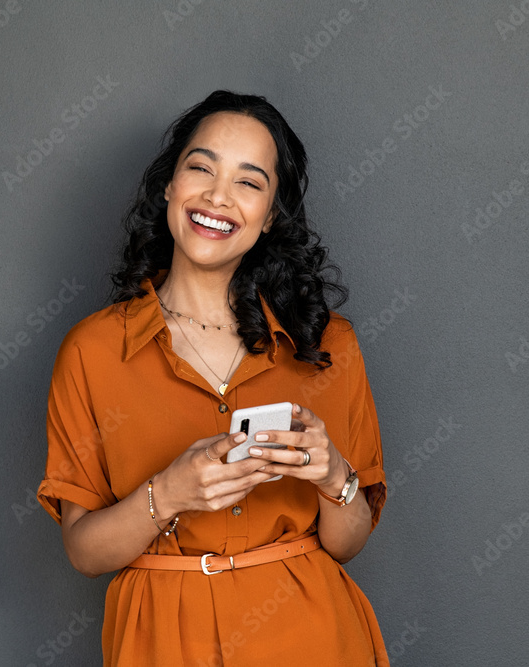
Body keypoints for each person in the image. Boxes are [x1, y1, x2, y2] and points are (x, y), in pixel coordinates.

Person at [36, 89, 388, 665]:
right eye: (201, 168)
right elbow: (84, 551)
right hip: (161, 642)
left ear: (271, 214)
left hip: (312, 637)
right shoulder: (92, 352)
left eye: (249, 182)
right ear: (170, 186)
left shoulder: (328, 347)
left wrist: (333, 476)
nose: (218, 197)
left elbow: (346, 543)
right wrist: (169, 493)